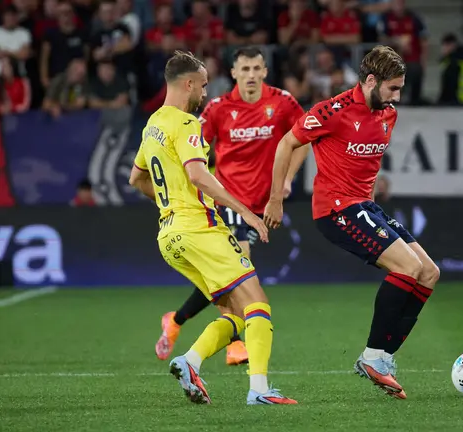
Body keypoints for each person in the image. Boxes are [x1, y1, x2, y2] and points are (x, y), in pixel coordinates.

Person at [264, 46, 441, 400]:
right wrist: (276, 198)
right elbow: (288, 143)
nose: (398, 97)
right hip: (336, 209)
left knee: (429, 272)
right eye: (393, 88)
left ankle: (383, 357)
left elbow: (366, 164)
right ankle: (373, 356)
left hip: (365, 206)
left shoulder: (388, 115)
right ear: (370, 81)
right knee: (407, 267)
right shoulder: (333, 111)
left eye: (401, 88)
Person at [128, 50, 296, 406]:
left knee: (234, 313)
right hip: (201, 229)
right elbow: (198, 174)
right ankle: (259, 389)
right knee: (258, 303)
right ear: (188, 84)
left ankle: (189, 362)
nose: (204, 94)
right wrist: (246, 213)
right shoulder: (187, 124)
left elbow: (136, 177)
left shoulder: (153, 123)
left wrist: (169, 205)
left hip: (169, 236)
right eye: (202, 86)